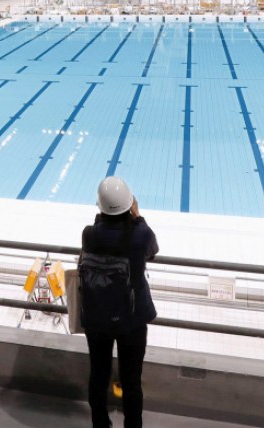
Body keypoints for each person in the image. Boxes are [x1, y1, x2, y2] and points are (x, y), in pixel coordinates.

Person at [81, 176, 159, 428]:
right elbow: (153, 250)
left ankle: (100, 424)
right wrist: (138, 217)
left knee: (99, 375)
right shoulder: (140, 234)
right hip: (132, 320)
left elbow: (97, 244)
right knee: (131, 381)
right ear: (130, 205)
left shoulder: (89, 234)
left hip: (98, 318)